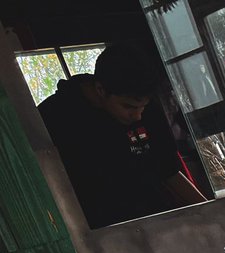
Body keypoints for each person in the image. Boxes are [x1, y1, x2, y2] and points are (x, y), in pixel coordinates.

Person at [37, 44, 206, 228]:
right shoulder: (54, 117)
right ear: (101, 89)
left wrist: (210, 214)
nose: (138, 116)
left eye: (143, 106)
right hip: (100, 232)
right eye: (128, 107)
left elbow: (169, 171)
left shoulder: (148, 109)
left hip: (157, 223)